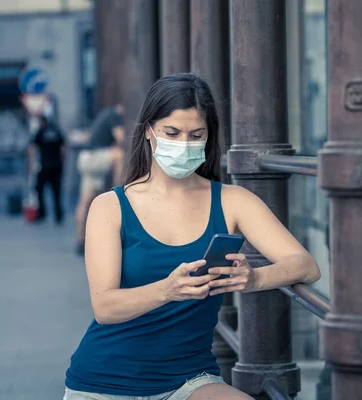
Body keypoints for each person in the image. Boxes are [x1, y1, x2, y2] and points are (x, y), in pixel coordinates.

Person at [63, 73, 321, 400]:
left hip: (190, 380)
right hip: (104, 381)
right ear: (148, 131)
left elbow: (307, 266)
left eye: (195, 135)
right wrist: (169, 289)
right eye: (172, 133)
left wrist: (253, 278)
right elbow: (105, 307)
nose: (183, 145)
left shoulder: (232, 200)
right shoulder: (110, 207)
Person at [74, 104, 125, 255]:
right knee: (119, 155)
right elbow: (120, 138)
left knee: (85, 200)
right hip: (94, 158)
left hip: (85, 159)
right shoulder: (114, 115)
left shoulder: (102, 116)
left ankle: (80, 241)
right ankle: (119, 192)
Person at [28, 115, 66, 224]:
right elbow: (64, 149)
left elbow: (32, 149)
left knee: (39, 189)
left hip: (44, 166)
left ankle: (42, 213)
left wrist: (30, 165)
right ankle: (58, 215)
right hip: (57, 166)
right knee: (57, 192)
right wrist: (63, 163)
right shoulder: (56, 131)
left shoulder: (40, 132)